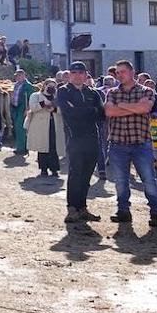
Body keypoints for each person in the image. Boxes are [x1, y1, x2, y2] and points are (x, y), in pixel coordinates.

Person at [103, 60, 157, 229]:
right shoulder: (112, 93)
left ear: (132, 72)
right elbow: (109, 111)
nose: (119, 75)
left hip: (141, 143)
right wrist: (134, 107)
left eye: (123, 71)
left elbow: (145, 108)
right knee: (121, 181)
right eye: (117, 72)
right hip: (117, 143)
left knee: (149, 180)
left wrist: (121, 106)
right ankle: (123, 211)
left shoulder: (147, 91)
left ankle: (156, 213)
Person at [55, 62, 104, 223]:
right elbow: (69, 113)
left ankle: (82, 207)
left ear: (85, 75)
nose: (77, 75)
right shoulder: (63, 91)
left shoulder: (93, 93)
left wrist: (81, 110)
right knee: (75, 174)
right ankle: (72, 209)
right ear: (69, 74)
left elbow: (102, 115)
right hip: (74, 138)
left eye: (80, 72)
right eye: (73, 72)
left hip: (92, 138)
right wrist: (90, 110)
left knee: (87, 174)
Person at [26, 79, 63, 178]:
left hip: (54, 124)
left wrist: (54, 109)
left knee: (54, 147)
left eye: (53, 86)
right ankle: (43, 169)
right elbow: (33, 108)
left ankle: (54, 169)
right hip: (41, 126)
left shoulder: (58, 97)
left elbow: (64, 110)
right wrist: (43, 104)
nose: (51, 88)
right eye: (49, 86)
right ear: (45, 85)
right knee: (42, 147)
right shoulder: (36, 96)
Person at [9, 69, 36, 155]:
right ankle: (20, 146)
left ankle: (22, 148)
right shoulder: (16, 85)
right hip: (15, 108)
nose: (18, 77)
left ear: (24, 76)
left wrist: (28, 109)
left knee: (21, 128)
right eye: (17, 76)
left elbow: (31, 98)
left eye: (19, 75)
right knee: (17, 128)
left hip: (23, 108)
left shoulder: (28, 86)